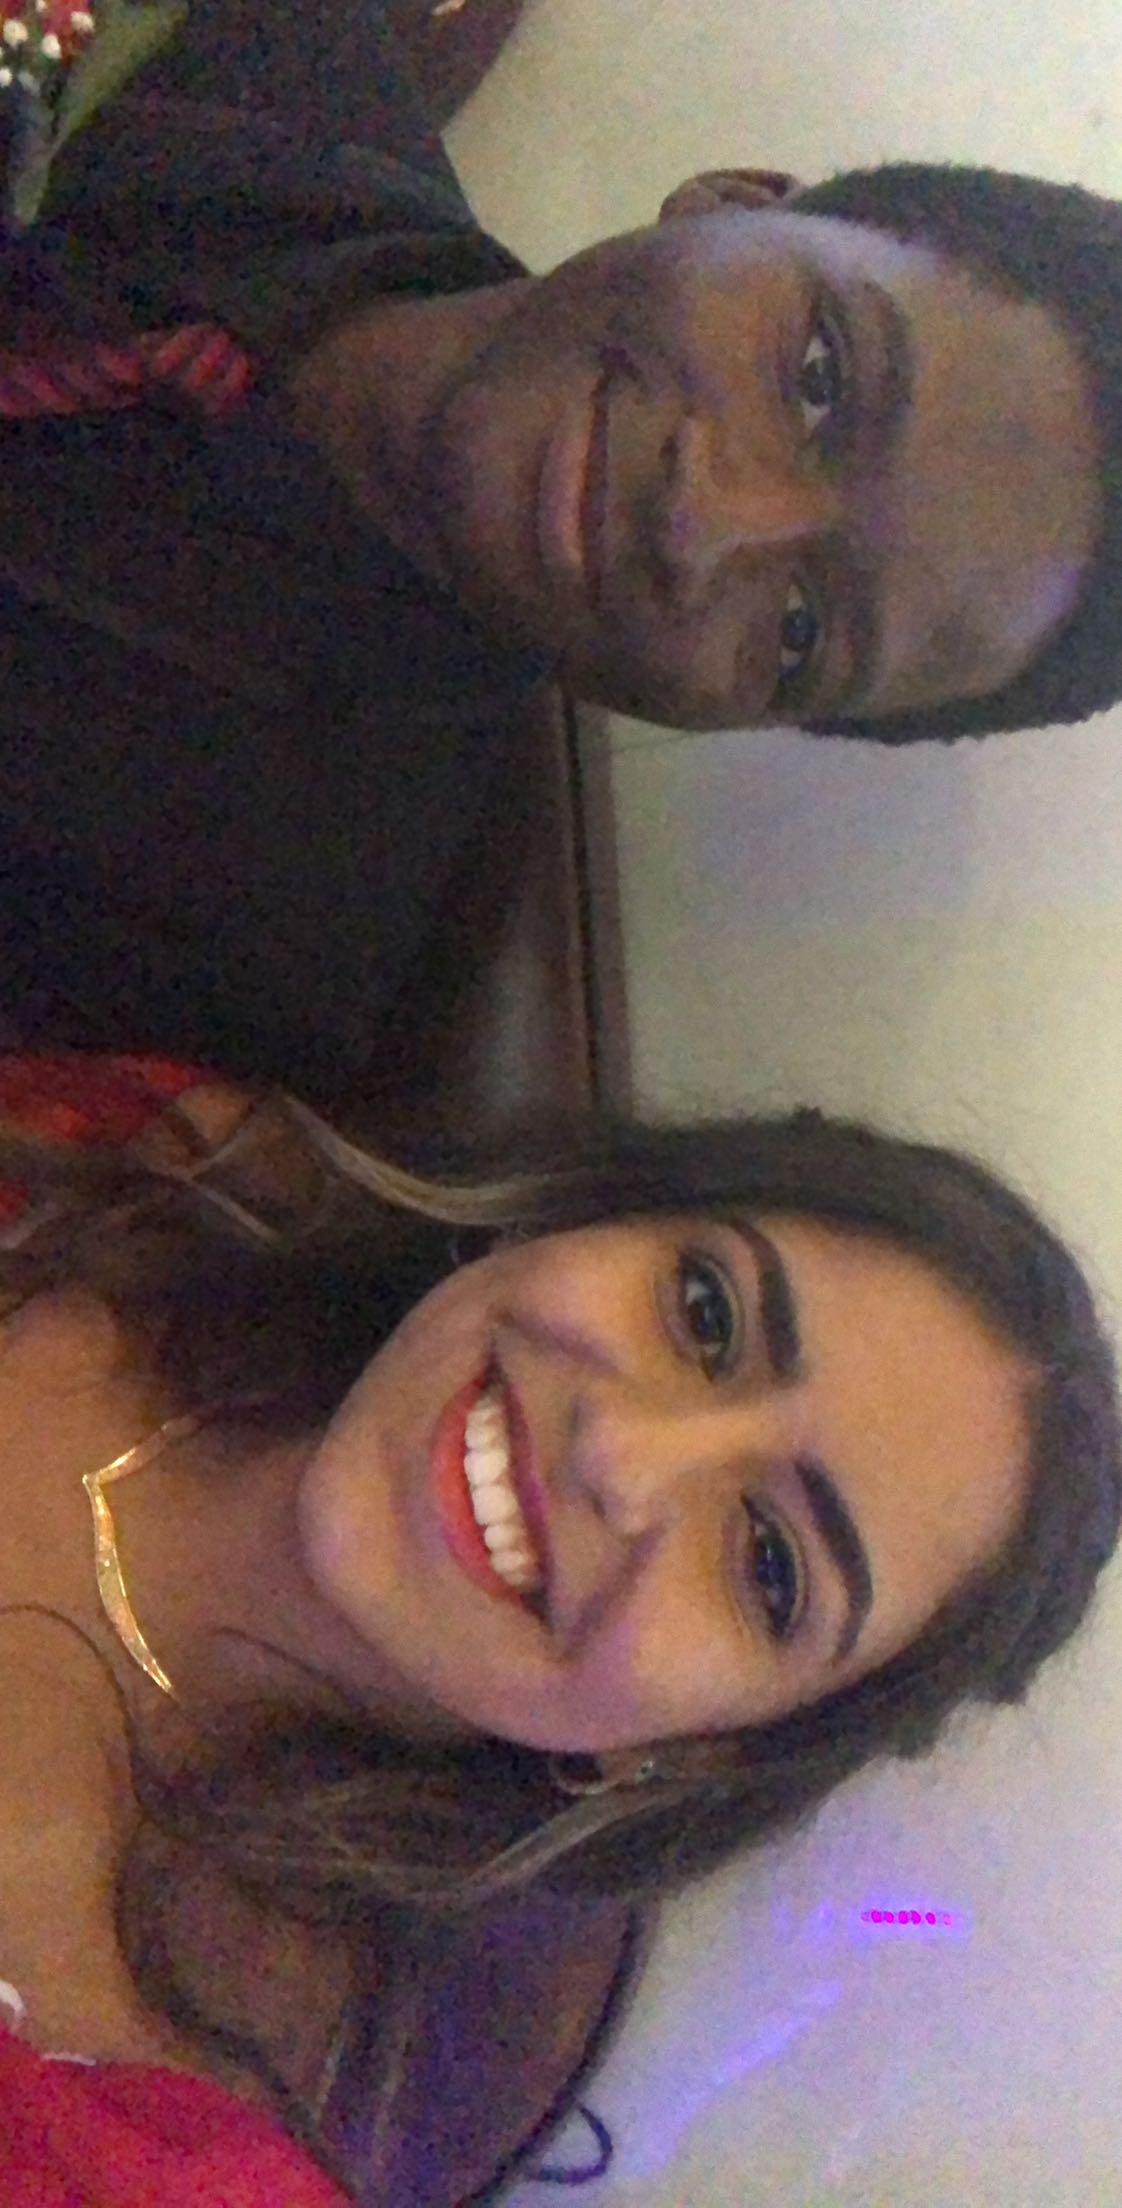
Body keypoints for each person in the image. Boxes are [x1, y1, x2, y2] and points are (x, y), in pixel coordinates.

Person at [0, 1049, 1118, 2201]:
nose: (619, 1453)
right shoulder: (168, 1167)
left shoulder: (158, 2160)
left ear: (695, 1753)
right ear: (589, 1215)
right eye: (705, 1314)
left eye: (769, 1567)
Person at [0, 0, 1121, 1087]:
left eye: (800, 628)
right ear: (729, 201)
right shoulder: (243, 40)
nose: (706, 525)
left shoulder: (274, 935)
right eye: (819, 378)